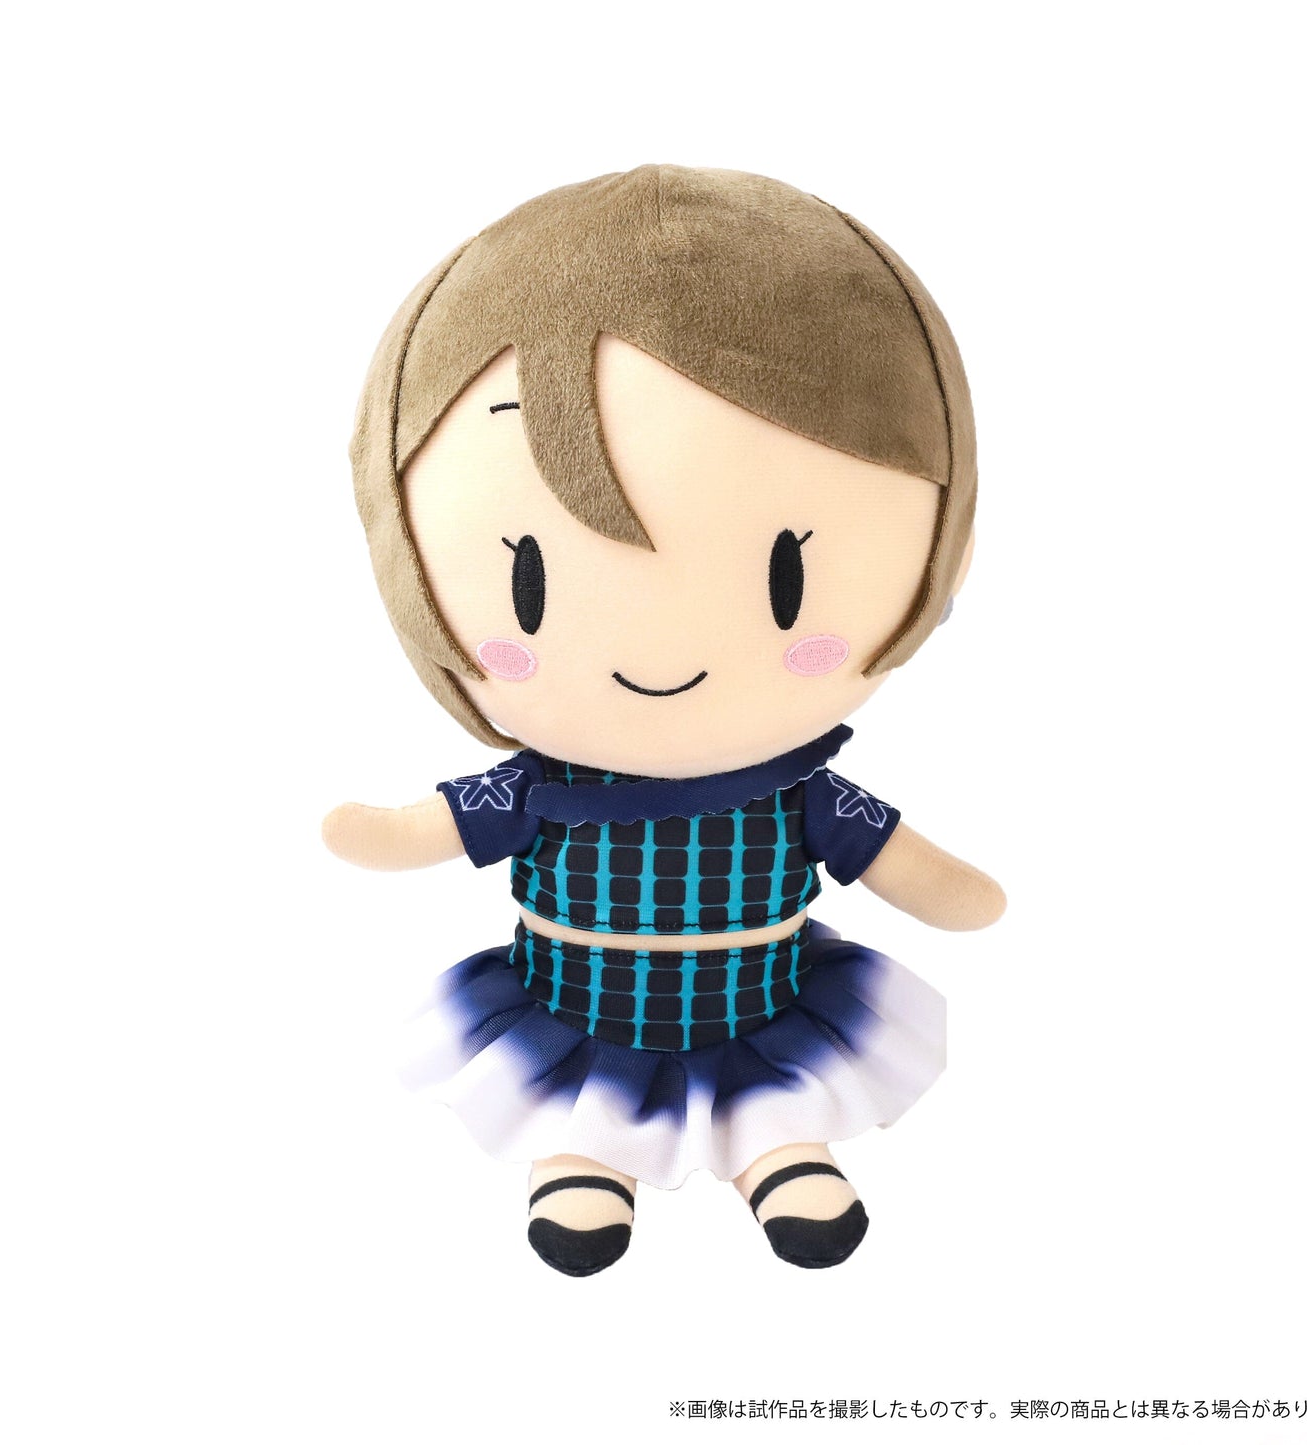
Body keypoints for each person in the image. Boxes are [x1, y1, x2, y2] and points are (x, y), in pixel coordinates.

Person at [323, 164, 1005, 1276]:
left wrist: (961, 892)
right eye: (528, 587)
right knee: (581, 1099)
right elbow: (428, 828)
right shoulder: (540, 788)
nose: (659, 654)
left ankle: (777, 1150)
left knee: (774, 1090)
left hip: (757, 1005)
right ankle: (586, 1160)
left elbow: (911, 867)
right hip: (577, 1006)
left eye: (789, 582)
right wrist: (378, 830)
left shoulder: (798, 792)